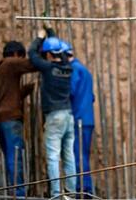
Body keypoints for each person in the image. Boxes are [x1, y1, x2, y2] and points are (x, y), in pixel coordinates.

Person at [28, 28, 76, 197]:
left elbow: (32, 54)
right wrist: (50, 31)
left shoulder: (48, 68)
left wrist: (40, 37)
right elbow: (59, 49)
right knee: (69, 156)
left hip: (55, 116)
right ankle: (70, 193)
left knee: (53, 157)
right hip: (68, 115)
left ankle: (56, 194)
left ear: (48, 55)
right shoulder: (68, 68)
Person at [0, 41, 36, 196]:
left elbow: (7, 96)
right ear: (17, 54)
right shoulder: (11, 63)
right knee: (15, 156)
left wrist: (24, 91)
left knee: (10, 156)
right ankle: (19, 194)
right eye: (21, 57)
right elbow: (33, 64)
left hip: (0, 119)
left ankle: (15, 192)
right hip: (11, 119)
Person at [60, 40, 95, 196]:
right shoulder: (84, 70)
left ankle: (84, 191)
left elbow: (70, 92)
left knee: (78, 157)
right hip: (88, 119)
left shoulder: (73, 70)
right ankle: (84, 189)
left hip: (78, 119)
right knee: (83, 155)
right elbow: (91, 97)